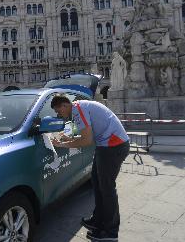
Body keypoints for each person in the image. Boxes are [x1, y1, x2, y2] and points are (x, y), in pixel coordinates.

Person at [50, 95, 129, 242]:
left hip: (113, 146)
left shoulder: (78, 109)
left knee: (107, 189)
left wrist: (62, 144)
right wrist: (65, 138)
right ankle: (98, 220)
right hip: (105, 146)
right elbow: (77, 133)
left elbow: (86, 140)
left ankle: (110, 232)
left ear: (64, 106)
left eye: (58, 111)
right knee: (97, 184)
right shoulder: (75, 109)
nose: (58, 115)